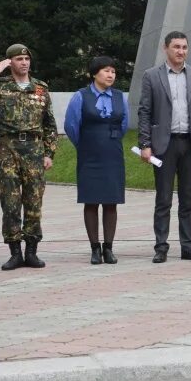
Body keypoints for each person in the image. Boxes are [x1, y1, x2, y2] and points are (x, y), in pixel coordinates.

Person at [0, 44, 57, 270]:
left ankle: (32, 252)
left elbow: (50, 125)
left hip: (34, 149)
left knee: (34, 202)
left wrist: (49, 153)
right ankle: (15, 252)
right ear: (9, 63)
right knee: (11, 203)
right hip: (8, 149)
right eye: (18, 59)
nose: (24, 63)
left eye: (26, 59)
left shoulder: (40, 88)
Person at [138, 31, 191, 262]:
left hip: (190, 143)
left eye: (184, 47)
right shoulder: (152, 76)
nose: (181, 51)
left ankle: (188, 246)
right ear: (166, 48)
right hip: (164, 144)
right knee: (164, 199)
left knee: (188, 199)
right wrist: (145, 144)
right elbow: (144, 112)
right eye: (176, 47)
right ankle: (161, 247)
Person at [65, 56, 129, 264]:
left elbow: (124, 124)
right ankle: (94, 248)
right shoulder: (80, 96)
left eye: (113, 71)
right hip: (89, 154)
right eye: (106, 71)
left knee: (111, 202)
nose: (111, 75)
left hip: (113, 153)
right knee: (91, 201)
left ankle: (108, 248)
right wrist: (85, 144)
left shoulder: (120, 97)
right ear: (94, 74)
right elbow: (71, 126)